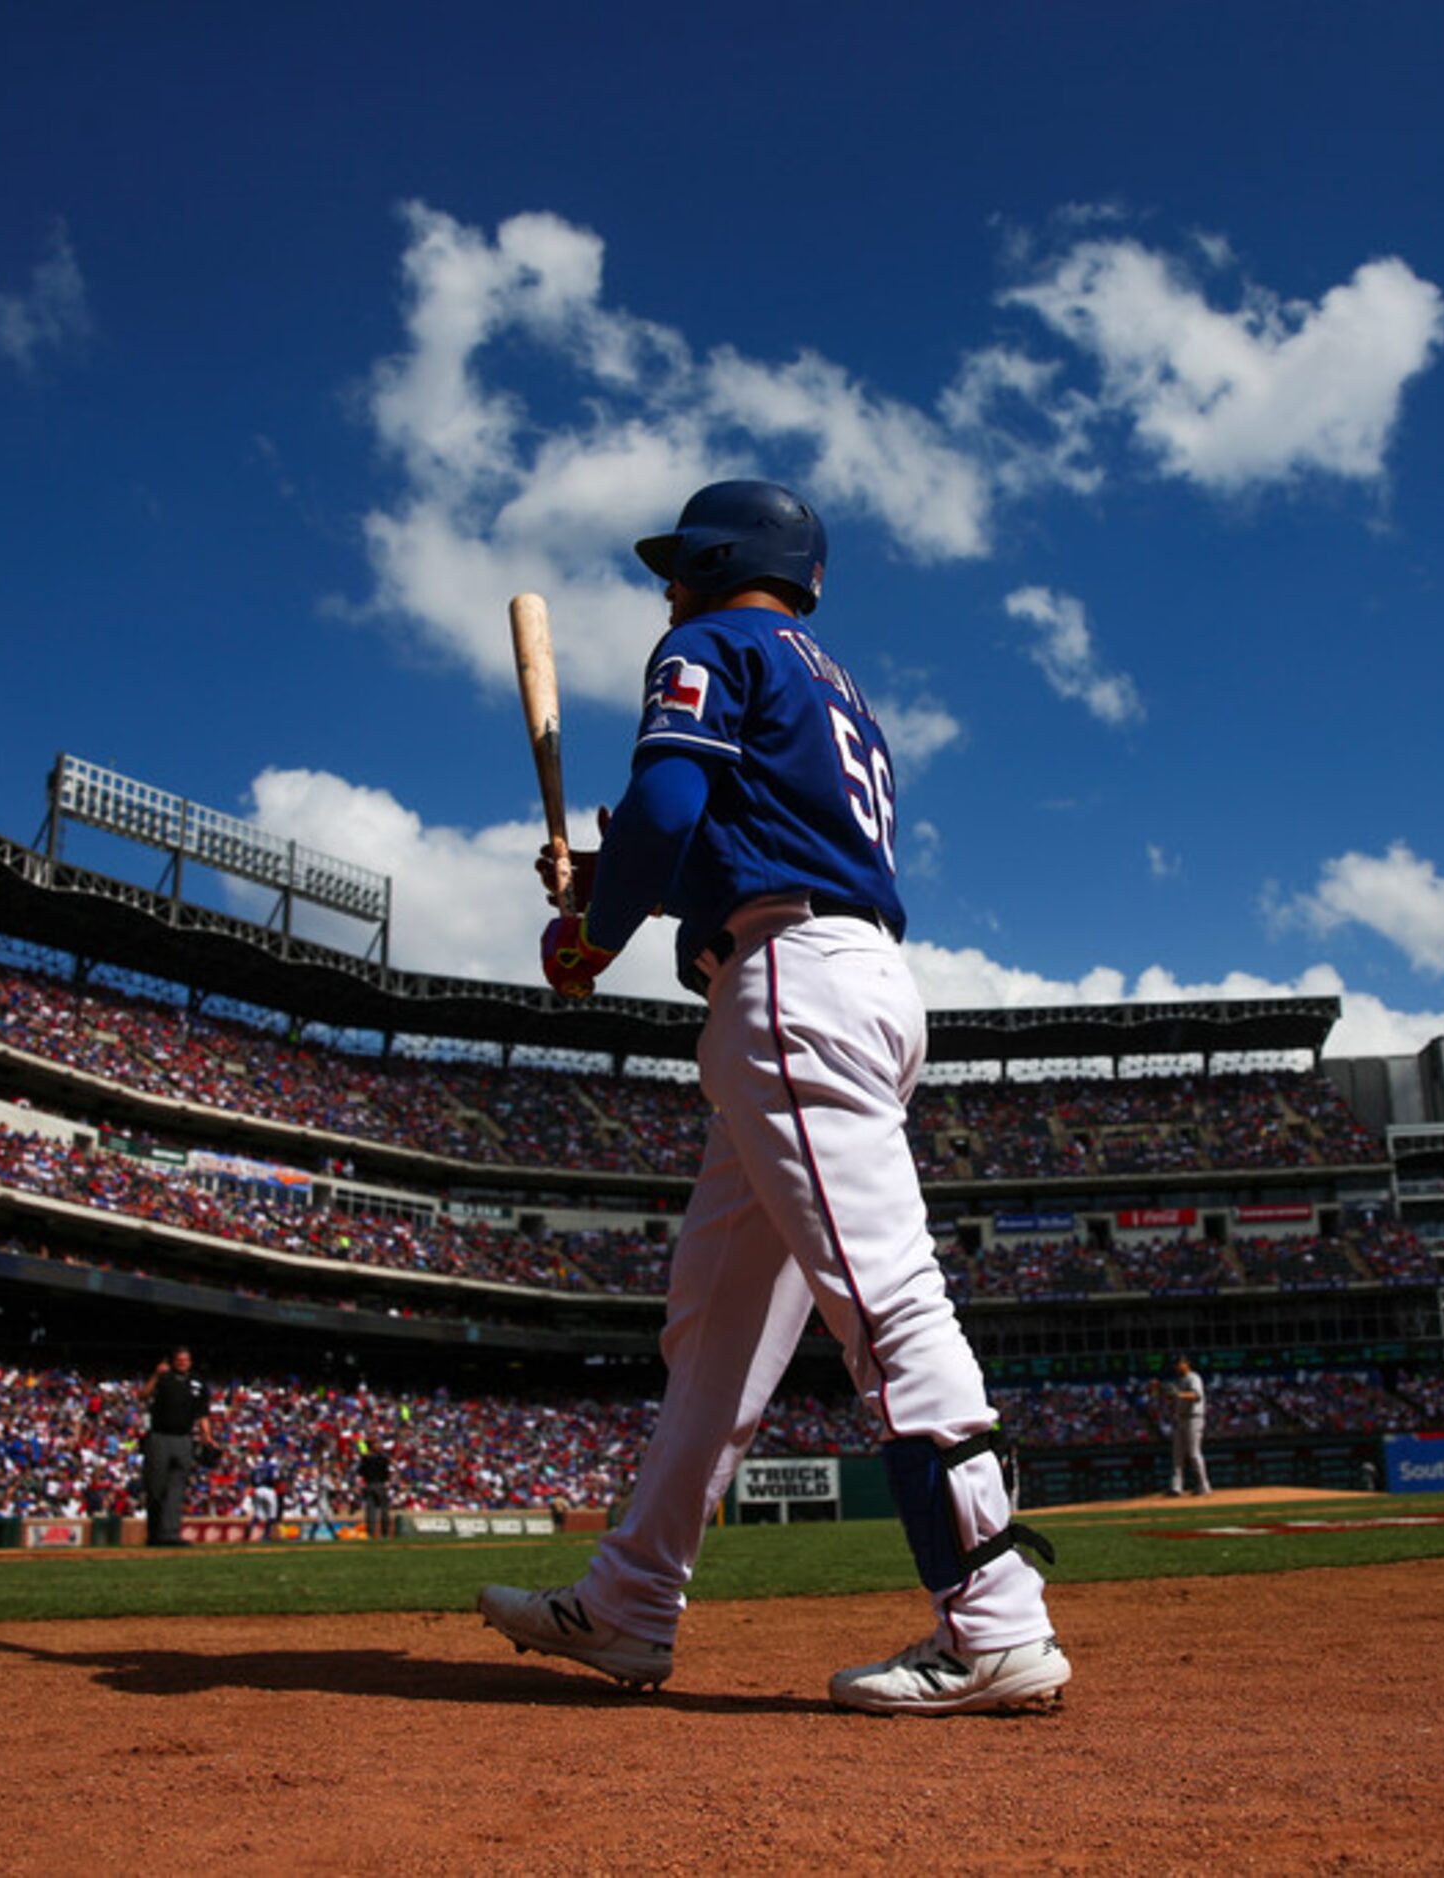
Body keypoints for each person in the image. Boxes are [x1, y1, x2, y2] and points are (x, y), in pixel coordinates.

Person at [479, 480, 1066, 1716]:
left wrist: (589, 925)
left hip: (791, 986)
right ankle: (630, 1602)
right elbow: (715, 834)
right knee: (715, 1336)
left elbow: (669, 805)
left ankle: (999, 1625)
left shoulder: (705, 641)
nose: (663, 587)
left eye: (674, 565)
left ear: (715, 559)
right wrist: (606, 874)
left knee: (887, 1300)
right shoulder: (833, 686)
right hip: (838, 976)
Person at [142, 1348, 211, 1546]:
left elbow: (202, 1414)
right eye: (179, 1360)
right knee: (155, 1488)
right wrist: (156, 1374)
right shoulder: (164, 1378)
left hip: (184, 1438)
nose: (182, 1363)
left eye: (186, 1359)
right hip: (160, 1436)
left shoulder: (197, 1384)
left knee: (176, 1489)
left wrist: (208, 1436)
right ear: (173, 1361)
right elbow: (143, 1395)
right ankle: (154, 1533)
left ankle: (170, 1534)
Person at [1166, 1356, 1211, 1497]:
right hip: (1180, 1419)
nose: (1177, 1366)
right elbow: (1175, 1400)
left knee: (1193, 1454)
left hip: (1194, 1418)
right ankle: (1176, 1487)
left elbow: (1196, 1396)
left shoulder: (1194, 1378)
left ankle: (1203, 1486)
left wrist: (1178, 1394)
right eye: (1176, 1364)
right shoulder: (1179, 1381)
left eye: (1179, 1363)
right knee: (1177, 1455)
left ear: (1186, 1363)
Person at [357, 1440, 394, 1540]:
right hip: (381, 1485)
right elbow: (388, 1473)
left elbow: (360, 1472)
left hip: (369, 1485)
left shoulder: (366, 1459)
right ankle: (385, 1534)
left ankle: (370, 1534)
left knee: (370, 1511)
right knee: (384, 1510)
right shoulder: (383, 1458)